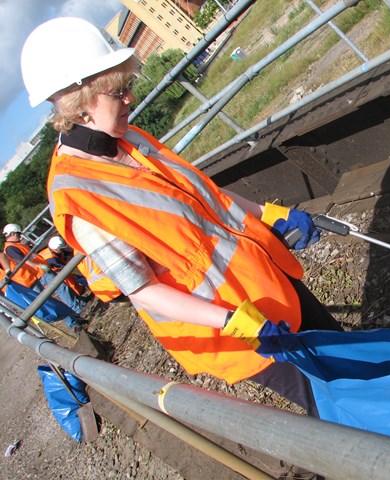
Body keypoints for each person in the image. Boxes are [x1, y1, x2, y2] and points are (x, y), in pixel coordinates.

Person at [21, 17, 342, 416]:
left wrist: (273, 213)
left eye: (128, 88)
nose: (130, 100)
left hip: (266, 279)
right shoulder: (77, 196)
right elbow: (142, 291)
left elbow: (204, 195)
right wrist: (238, 322)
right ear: (79, 104)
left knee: (346, 356)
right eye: (118, 91)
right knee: (332, 402)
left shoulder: (129, 138)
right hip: (232, 327)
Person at [3, 223, 88, 316]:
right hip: (39, 272)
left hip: (41, 270)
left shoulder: (15, 245)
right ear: (12, 234)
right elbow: (23, 261)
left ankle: (77, 302)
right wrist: (40, 265)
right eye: (18, 234)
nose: (20, 236)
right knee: (61, 288)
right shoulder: (11, 248)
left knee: (62, 287)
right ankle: (76, 306)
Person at [0, 252, 83, 332]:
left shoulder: (7, 250)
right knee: (44, 308)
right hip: (16, 292)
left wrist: (7, 271)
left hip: (25, 283)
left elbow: (2, 256)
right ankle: (74, 320)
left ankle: (74, 321)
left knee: (49, 303)